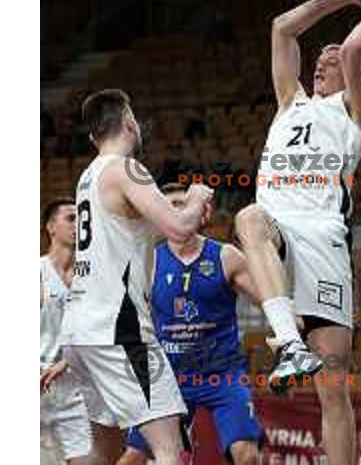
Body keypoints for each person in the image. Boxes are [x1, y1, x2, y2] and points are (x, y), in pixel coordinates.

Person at [235, 0, 361, 464]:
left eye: (331, 60)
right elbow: (282, 29)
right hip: (280, 230)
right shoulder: (290, 103)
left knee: (333, 394)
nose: (323, 61)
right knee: (250, 218)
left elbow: (358, 52)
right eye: (320, 58)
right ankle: (288, 342)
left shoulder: (358, 110)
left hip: (324, 247)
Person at [59, 89, 214, 465]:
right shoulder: (127, 168)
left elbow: (131, 234)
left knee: (105, 452)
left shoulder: (89, 176)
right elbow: (179, 228)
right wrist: (195, 197)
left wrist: (177, 221)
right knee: (168, 446)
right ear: (129, 122)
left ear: (94, 134)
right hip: (120, 328)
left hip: (80, 331)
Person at [119, 183, 263, 465]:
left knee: (246, 456)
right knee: (132, 458)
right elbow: (124, 319)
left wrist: (298, 323)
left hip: (223, 374)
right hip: (169, 376)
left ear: (204, 212)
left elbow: (268, 299)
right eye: (171, 206)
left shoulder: (226, 256)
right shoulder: (148, 262)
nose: (179, 212)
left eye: (184, 204)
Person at [40, 198, 92, 465]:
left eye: (82, 219)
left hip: (75, 387)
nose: (79, 224)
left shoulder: (90, 276)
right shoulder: (37, 272)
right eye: (71, 218)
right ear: (51, 227)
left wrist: (67, 361)